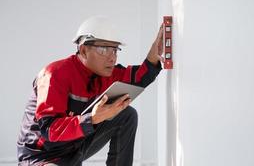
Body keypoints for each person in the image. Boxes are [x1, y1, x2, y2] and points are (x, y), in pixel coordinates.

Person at [17, 15, 163, 166]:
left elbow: (140, 77)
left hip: (74, 149)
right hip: (42, 157)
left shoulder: (105, 73)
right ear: (84, 50)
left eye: (114, 50)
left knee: (127, 114)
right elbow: (49, 129)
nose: (112, 58)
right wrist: (91, 119)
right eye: (104, 49)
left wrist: (155, 51)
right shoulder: (54, 75)